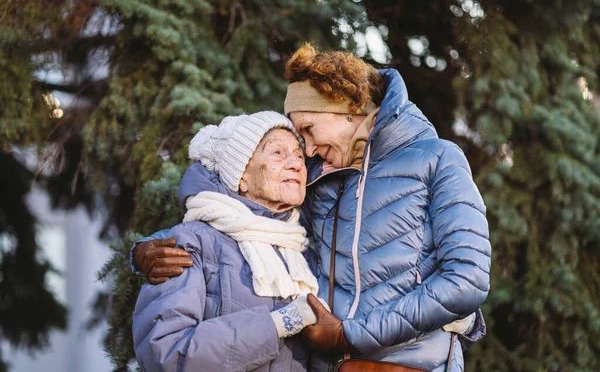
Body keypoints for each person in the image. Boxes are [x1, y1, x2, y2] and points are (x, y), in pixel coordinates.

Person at [134, 44, 491, 371]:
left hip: (412, 365)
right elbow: (246, 216)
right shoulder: (318, 182)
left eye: (307, 129)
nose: (304, 151)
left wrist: (349, 334)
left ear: (347, 108)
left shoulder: (437, 159)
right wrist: (146, 253)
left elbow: (467, 279)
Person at [132, 111, 328, 372]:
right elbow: (165, 353)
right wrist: (279, 324)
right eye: (278, 153)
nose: (296, 164)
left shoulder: (303, 253)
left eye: (299, 155)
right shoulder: (192, 244)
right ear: (242, 177)